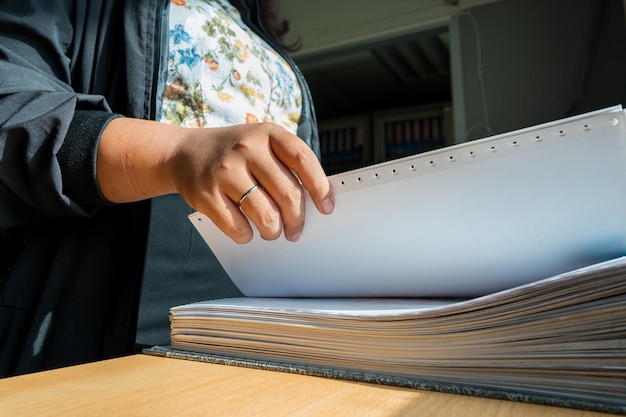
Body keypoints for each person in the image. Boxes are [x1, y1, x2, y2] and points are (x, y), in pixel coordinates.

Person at [0, 0, 335, 377]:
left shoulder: (256, 30)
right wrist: (177, 153)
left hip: (269, 334)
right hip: (107, 331)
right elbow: (12, 113)